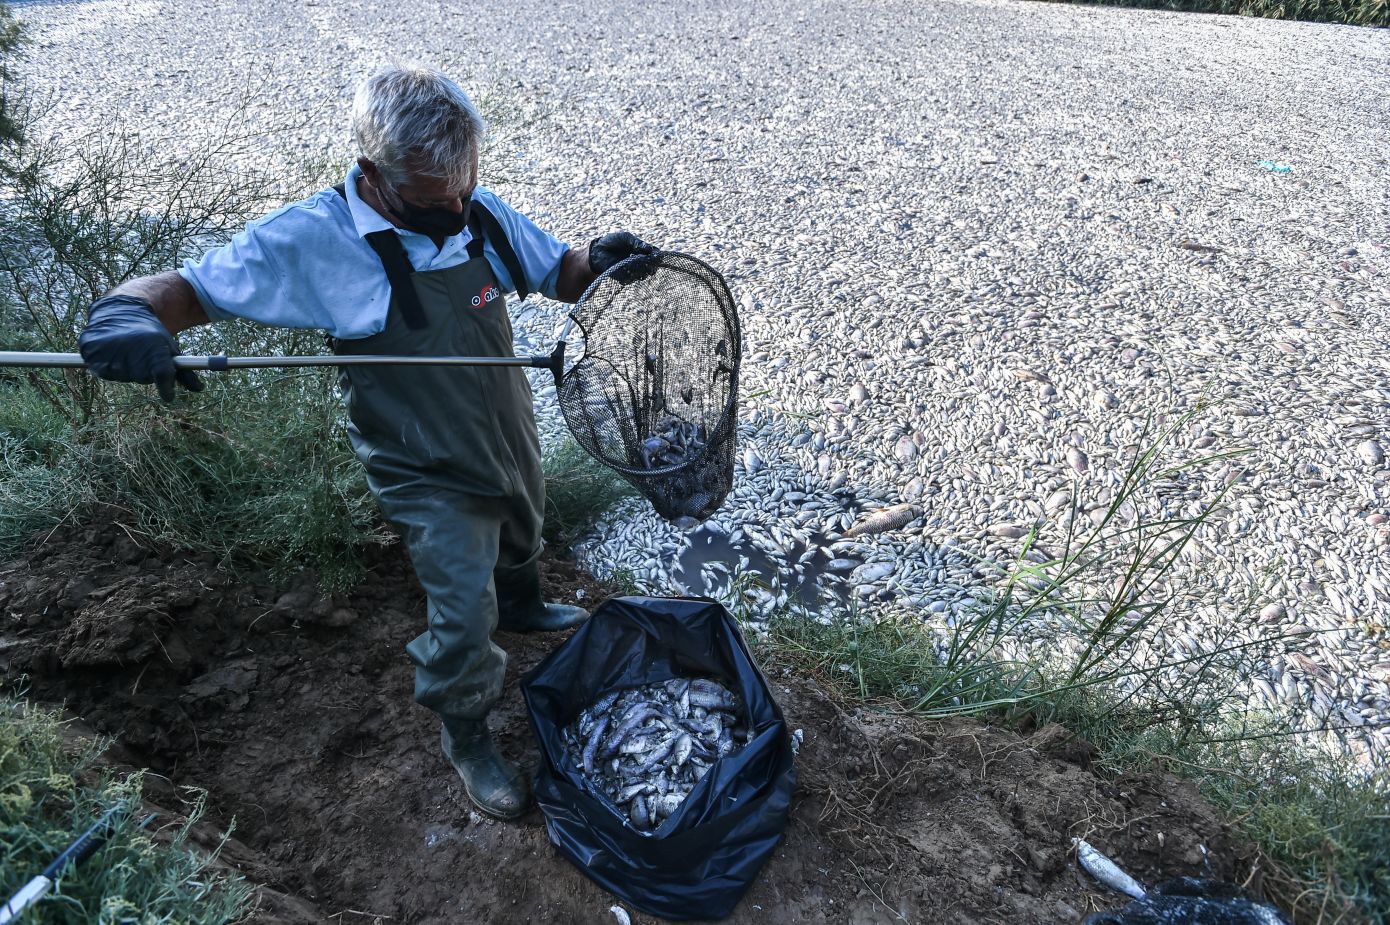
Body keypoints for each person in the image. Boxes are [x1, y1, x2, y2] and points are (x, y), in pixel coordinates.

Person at [76, 64, 656, 821]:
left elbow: (562, 272)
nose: (453, 208)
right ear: (373, 175)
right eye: (430, 200)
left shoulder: (476, 212)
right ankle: (468, 732)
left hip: (503, 424)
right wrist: (124, 315)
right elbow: (183, 291)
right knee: (460, 610)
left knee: (522, 521)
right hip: (421, 462)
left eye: (462, 188)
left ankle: (525, 600)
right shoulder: (315, 237)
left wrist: (601, 260)